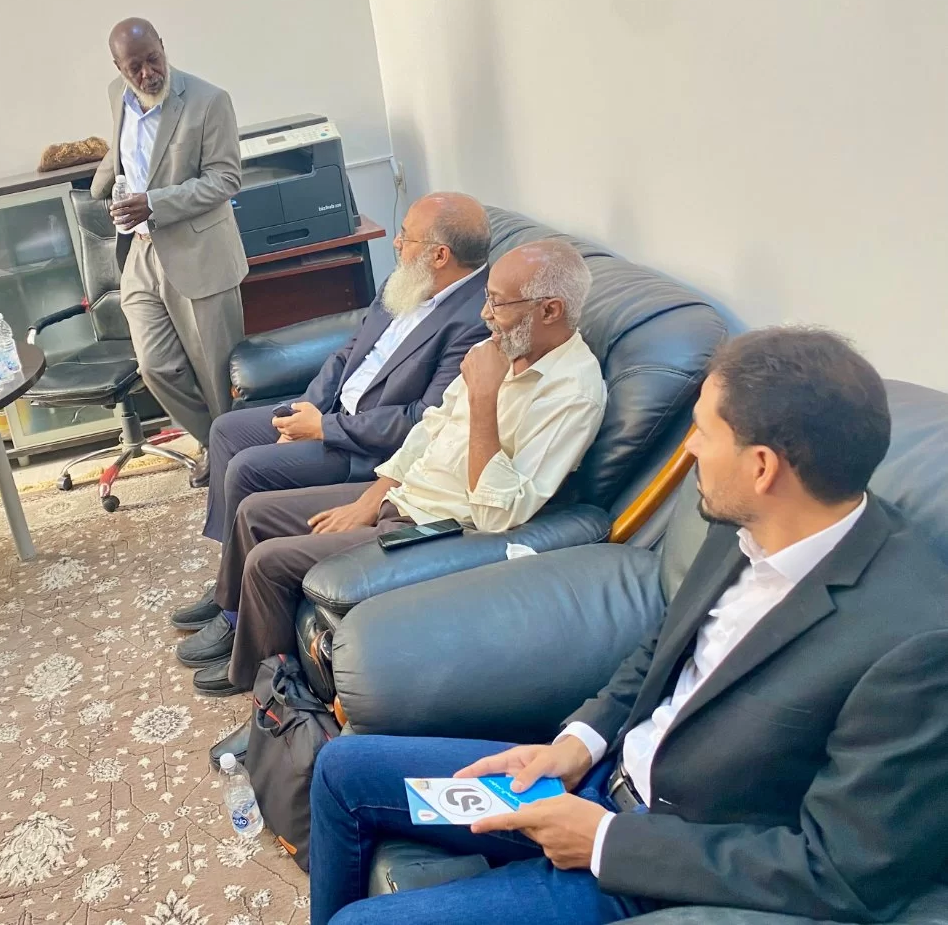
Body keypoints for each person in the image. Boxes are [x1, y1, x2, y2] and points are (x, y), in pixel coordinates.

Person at [308, 327, 948, 925]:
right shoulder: (750, 522)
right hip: (595, 778)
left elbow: (844, 871)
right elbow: (662, 648)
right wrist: (578, 741)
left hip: (660, 859)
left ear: (762, 468)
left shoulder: (913, 645)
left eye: (702, 433)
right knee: (342, 768)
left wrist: (607, 841)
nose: (688, 449)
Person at [185, 240, 605, 696]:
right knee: (254, 513)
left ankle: (269, 693)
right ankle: (236, 621)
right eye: (487, 297)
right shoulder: (503, 346)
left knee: (268, 563)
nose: (485, 314)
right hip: (401, 494)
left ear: (550, 310)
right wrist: (372, 497)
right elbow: (429, 427)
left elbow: (497, 514)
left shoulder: (572, 394)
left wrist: (485, 398)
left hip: (438, 526)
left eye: (499, 304)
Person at [168, 192, 492, 634]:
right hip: (331, 413)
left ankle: (234, 612)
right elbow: (348, 354)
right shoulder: (408, 281)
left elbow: (420, 419)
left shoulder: (473, 320)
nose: (396, 243)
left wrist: (324, 428)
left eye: (406, 237)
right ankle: (232, 574)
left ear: (440, 255)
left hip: (364, 447)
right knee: (225, 430)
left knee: (247, 468)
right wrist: (307, 409)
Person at [90, 18, 245, 481]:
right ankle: (215, 440)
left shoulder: (208, 101)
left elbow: (225, 179)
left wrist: (154, 203)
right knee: (155, 367)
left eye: (153, 59)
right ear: (118, 67)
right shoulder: (116, 95)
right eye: (134, 67)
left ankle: (233, 457)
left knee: (216, 372)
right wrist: (103, 183)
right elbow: (128, 150)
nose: (147, 73)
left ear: (163, 45)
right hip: (139, 252)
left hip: (198, 249)